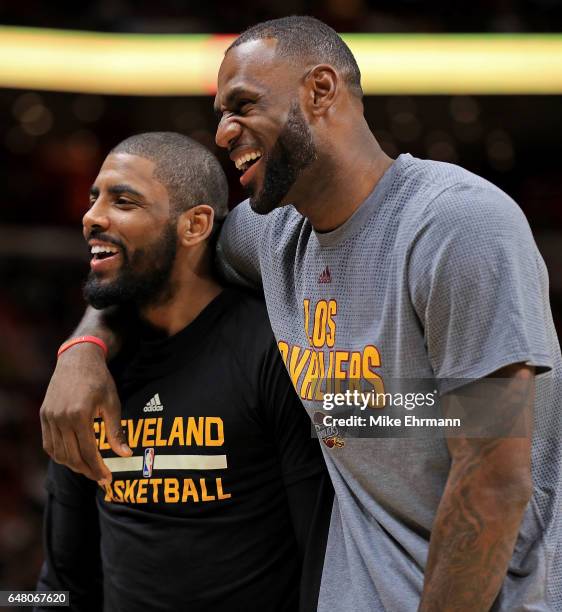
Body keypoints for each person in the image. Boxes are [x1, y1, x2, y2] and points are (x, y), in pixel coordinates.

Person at [40, 17, 562, 612]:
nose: (222, 132)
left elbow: (494, 483)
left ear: (320, 91)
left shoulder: (457, 227)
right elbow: (148, 260)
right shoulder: (272, 235)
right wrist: (83, 349)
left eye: (241, 105)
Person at [36, 132, 332, 612]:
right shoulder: (85, 378)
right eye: (94, 199)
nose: (92, 217)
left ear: (194, 225)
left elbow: (320, 564)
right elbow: (59, 583)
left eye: (124, 201)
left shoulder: (270, 352)